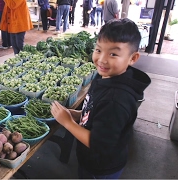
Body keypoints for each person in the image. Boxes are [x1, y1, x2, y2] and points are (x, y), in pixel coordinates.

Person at [50, 18, 151, 179]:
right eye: (98, 50)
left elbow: (98, 143)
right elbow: (96, 109)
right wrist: (78, 115)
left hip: (102, 167)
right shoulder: (105, 76)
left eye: (113, 54)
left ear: (132, 58)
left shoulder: (116, 100)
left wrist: (67, 122)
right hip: (91, 160)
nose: (102, 59)